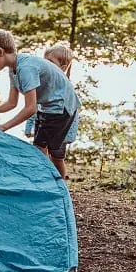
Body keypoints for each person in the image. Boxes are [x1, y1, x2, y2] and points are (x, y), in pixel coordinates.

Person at [0, 30, 80, 179]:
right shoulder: (14, 69)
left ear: (0, 51)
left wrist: (3, 127)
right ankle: (48, 181)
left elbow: (30, 108)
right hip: (48, 106)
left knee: (46, 150)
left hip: (61, 107)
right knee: (41, 148)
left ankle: (58, 185)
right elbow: (12, 103)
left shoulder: (26, 68)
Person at [24, 43, 80, 178]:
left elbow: (73, 114)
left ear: (63, 68)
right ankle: (45, 178)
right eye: (45, 60)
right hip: (46, 122)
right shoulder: (44, 82)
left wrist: (68, 136)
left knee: (57, 158)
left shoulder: (65, 89)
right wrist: (29, 126)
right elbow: (35, 105)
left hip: (62, 133)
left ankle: (61, 182)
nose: (45, 64)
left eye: (50, 62)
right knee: (41, 149)